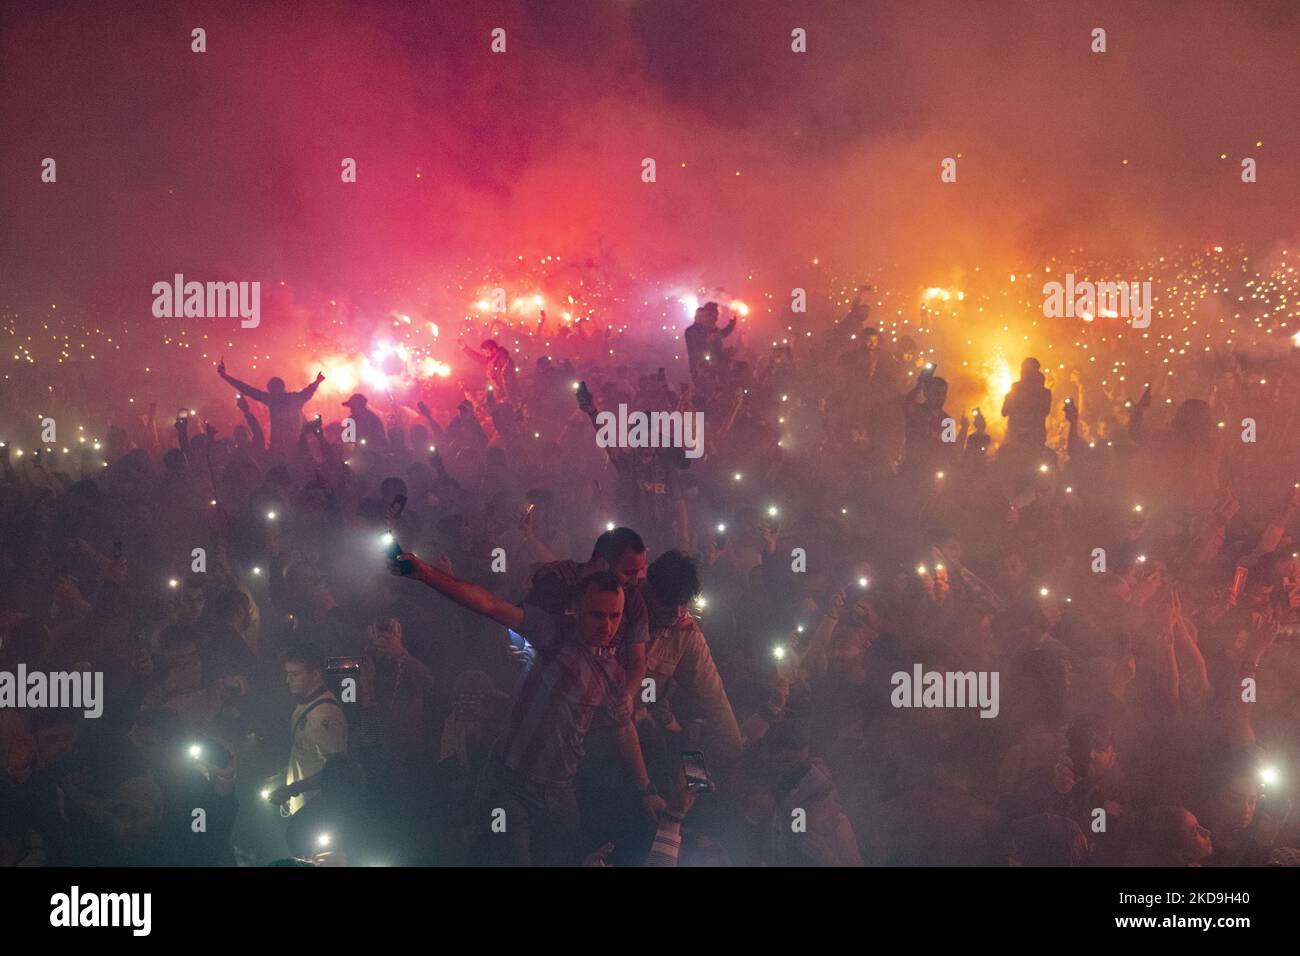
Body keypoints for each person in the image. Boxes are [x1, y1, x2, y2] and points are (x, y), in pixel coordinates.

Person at [389, 551, 662, 866]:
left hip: (560, 793)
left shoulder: (613, 672)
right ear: (577, 610)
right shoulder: (553, 631)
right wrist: (424, 572)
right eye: (597, 615)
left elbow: (624, 727)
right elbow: (488, 604)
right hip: (510, 783)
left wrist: (646, 790)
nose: (607, 625)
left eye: (615, 616)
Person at [268, 644, 348, 816]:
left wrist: (291, 790)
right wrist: (285, 775)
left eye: (295, 674)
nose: (287, 680)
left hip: (318, 811)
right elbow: (304, 751)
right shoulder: (304, 704)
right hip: (302, 806)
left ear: (316, 675)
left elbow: (335, 771)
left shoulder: (324, 715)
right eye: (287, 674)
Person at [217, 360, 324, 457]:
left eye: (274, 389)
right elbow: (248, 389)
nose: (274, 392)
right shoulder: (287, 398)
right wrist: (317, 382)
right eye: (273, 390)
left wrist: (225, 376)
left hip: (290, 446)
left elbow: (249, 390)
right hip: (285, 446)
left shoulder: (276, 399)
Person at [1001, 357, 1052, 448]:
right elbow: (1005, 411)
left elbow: (1005, 411)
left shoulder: (1016, 389)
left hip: (1025, 437)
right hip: (1031, 438)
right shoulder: (1044, 392)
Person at [684, 302, 736, 386]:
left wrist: (731, 326)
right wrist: (707, 341)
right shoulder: (691, 331)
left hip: (715, 367)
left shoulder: (712, 329)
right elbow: (694, 350)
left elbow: (722, 334)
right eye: (714, 316)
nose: (716, 319)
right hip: (701, 369)